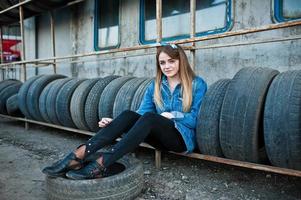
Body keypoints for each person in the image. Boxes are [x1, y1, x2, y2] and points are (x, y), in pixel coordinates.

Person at [42, 44, 207, 180]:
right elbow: (140, 114)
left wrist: (172, 116)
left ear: (181, 61)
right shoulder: (155, 86)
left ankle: (101, 163)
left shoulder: (197, 84)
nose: (167, 66)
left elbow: (195, 120)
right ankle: (77, 156)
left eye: (171, 61)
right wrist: (115, 123)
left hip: (181, 140)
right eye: (162, 63)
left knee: (150, 118)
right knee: (129, 114)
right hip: (159, 139)